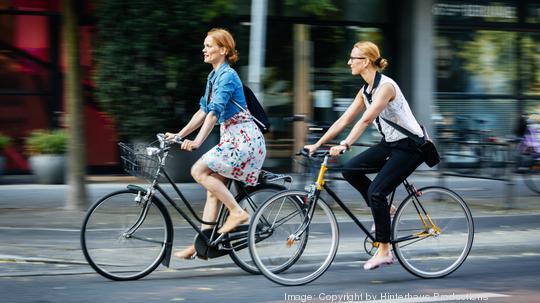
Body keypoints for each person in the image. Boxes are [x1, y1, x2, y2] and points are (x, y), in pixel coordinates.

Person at [304, 41, 425, 270]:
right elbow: (345, 119)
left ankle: (384, 250)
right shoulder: (365, 90)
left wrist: (346, 144)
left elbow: (366, 119)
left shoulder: (386, 87)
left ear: (366, 61)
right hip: (390, 144)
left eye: (353, 58)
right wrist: (317, 143)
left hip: (411, 146)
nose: (349, 62)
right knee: (350, 170)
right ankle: (387, 210)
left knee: (376, 192)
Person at [165, 28, 266, 260]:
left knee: (198, 170)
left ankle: (238, 213)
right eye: (205, 45)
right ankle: (204, 244)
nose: (204, 49)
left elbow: (214, 113)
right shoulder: (213, 77)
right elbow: (203, 110)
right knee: (213, 191)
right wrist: (180, 135)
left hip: (244, 141)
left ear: (223, 50)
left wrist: (197, 141)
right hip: (233, 139)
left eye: (209, 45)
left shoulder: (228, 76)